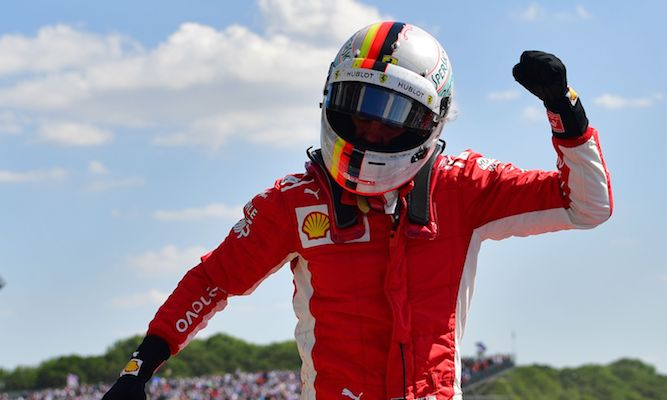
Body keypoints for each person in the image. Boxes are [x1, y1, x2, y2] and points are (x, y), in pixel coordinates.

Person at [102, 21, 612, 400]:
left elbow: (588, 205)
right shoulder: (292, 200)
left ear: (431, 121)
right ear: (330, 95)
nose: (370, 130)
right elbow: (212, 280)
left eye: (392, 118)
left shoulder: (463, 186)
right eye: (359, 105)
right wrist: (139, 367)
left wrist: (566, 111)